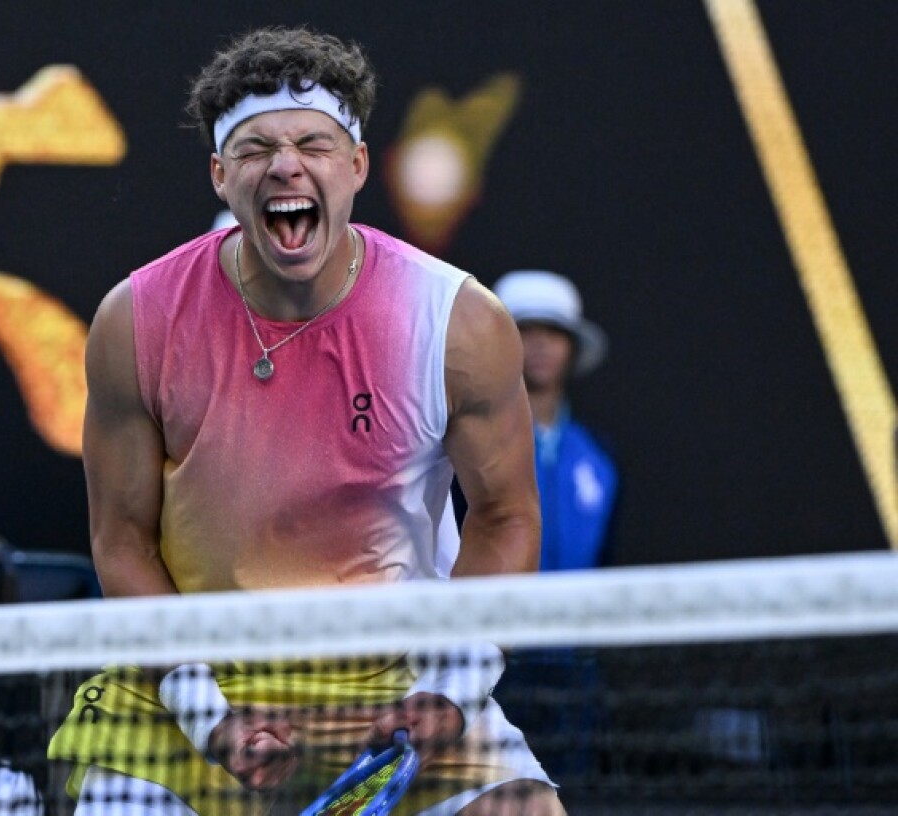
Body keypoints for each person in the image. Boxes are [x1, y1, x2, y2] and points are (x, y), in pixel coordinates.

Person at [49, 27, 565, 815]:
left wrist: (450, 688)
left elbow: (506, 516)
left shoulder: (456, 321)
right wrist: (206, 714)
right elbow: (122, 539)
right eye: (255, 148)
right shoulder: (135, 322)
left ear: (356, 165)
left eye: (313, 144)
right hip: (189, 689)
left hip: (396, 686)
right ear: (221, 175)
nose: (286, 166)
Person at [492, 271, 618, 571]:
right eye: (525, 330)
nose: (540, 344)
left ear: (573, 347)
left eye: (554, 331)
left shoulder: (598, 452)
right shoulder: (465, 449)